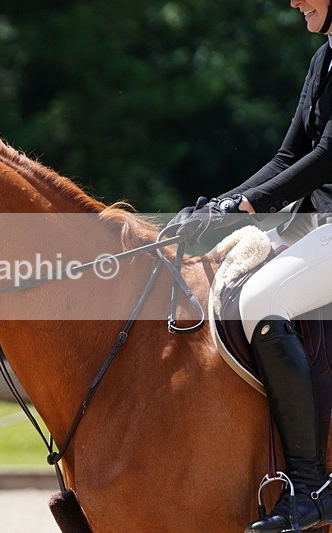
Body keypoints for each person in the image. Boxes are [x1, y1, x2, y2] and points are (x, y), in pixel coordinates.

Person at [172, 1, 332, 531]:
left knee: (264, 300)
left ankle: (312, 486)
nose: (293, 2)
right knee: (231, 280)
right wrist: (220, 203)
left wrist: (245, 206)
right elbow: (289, 157)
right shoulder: (324, 59)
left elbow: (327, 157)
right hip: (314, 223)